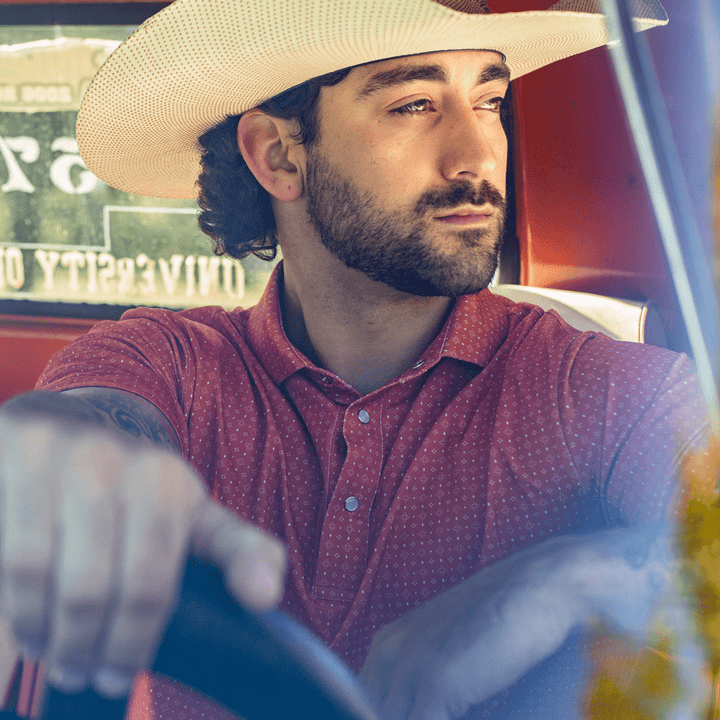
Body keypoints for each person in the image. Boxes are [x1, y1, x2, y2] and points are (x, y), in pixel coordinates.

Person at [0, 0, 710, 718]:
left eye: (490, 100)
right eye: (415, 104)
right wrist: (61, 459)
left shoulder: (598, 390)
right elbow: (96, 420)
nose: (478, 154)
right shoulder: (172, 365)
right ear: (278, 155)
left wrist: (572, 578)